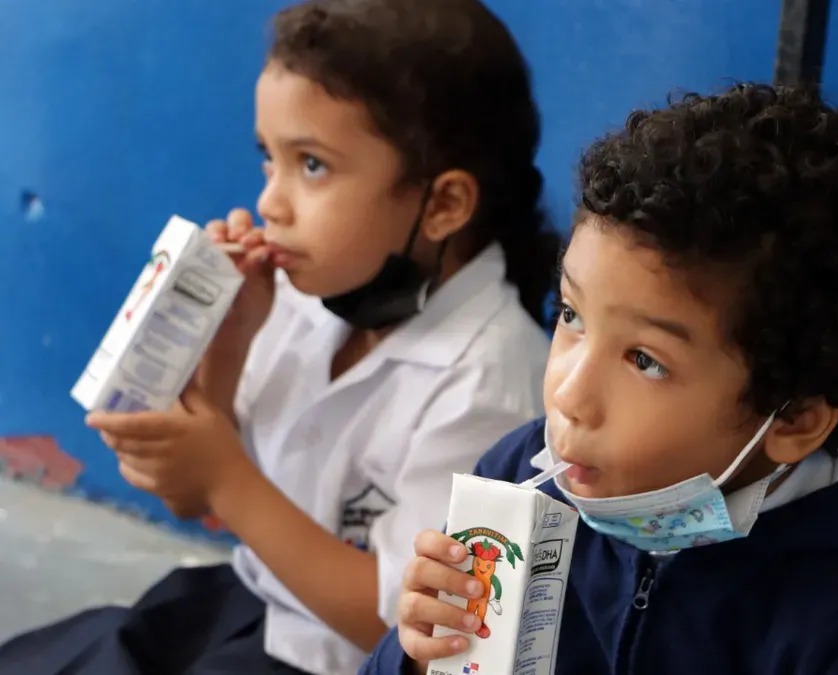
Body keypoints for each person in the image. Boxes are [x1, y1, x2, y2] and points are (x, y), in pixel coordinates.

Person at [0, 1, 557, 673]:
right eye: (270, 159)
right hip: (249, 602)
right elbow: (184, 495)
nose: (270, 202)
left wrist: (226, 479)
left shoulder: (490, 385)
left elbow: (402, 628)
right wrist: (229, 343)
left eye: (313, 165)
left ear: (442, 205)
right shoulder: (304, 294)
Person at [362, 83, 838, 674]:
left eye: (645, 360)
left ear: (793, 419)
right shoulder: (520, 477)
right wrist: (416, 656)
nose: (569, 397)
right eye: (571, 316)